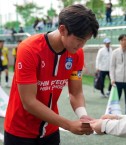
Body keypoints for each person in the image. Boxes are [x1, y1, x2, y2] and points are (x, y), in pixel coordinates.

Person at [4, 4, 99, 145]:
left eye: (86, 40)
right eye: (79, 39)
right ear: (62, 29)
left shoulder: (77, 54)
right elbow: (29, 102)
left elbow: (76, 93)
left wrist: (83, 116)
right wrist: (68, 124)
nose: (82, 45)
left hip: (51, 131)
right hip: (19, 131)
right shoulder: (29, 49)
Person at [110, 34, 126, 114]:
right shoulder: (115, 52)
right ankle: (114, 116)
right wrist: (112, 79)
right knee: (116, 101)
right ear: (119, 41)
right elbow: (112, 66)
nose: (124, 41)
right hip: (117, 80)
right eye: (122, 40)